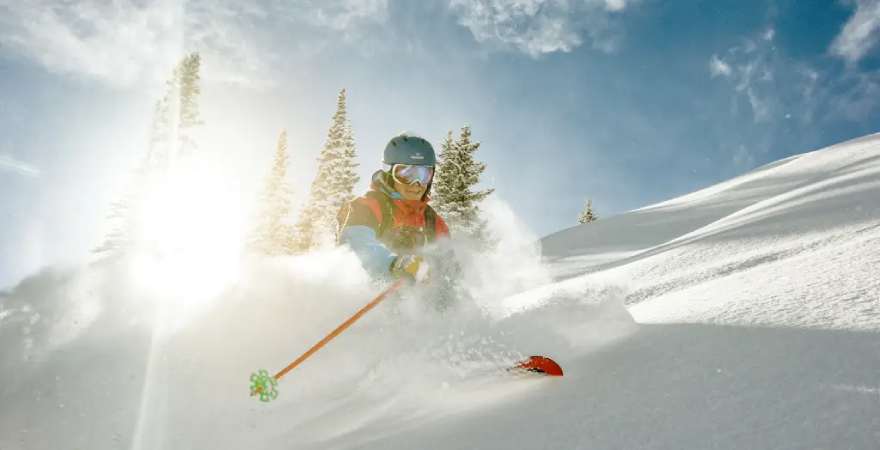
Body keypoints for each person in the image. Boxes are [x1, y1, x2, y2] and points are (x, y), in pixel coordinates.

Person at [337, 133, 450, 282]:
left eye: (424, 175)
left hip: (417, 301)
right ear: (389, 174)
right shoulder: (366, 207)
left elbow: (450, 268)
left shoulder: (433, 221)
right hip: (367, 292)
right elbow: (358, 243)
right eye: (406, 174)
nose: (416, 184)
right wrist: (393, 264)